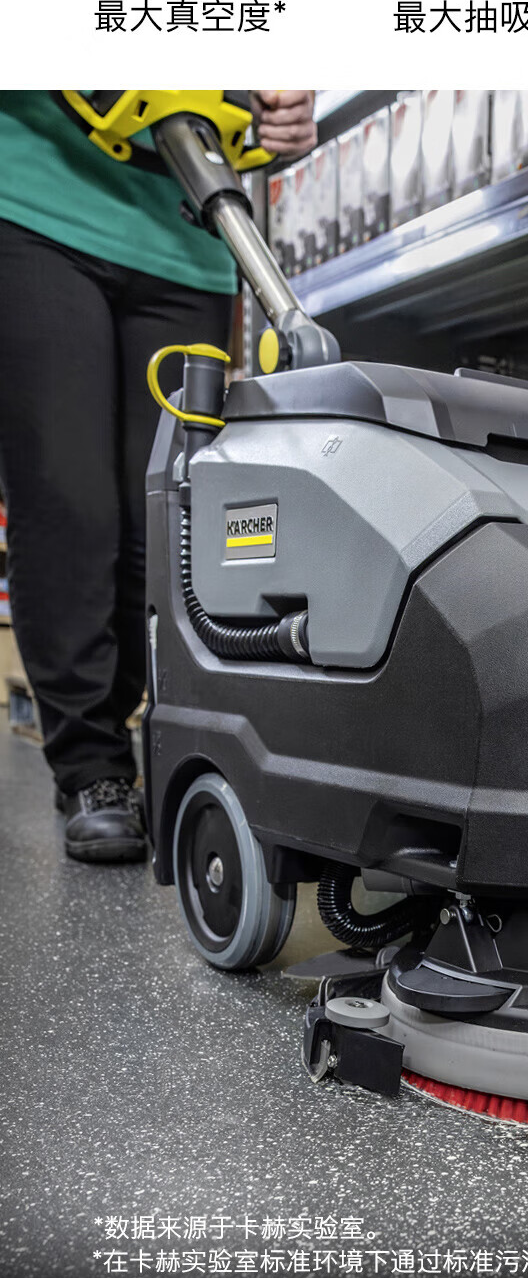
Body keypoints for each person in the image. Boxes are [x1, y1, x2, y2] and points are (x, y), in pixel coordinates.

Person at [0, 89, 317, 862]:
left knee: (167, 525)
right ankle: (91, 765)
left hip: (188, 233)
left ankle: (133, 733)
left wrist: (280, 109)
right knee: (71, 504)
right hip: (40, 201)